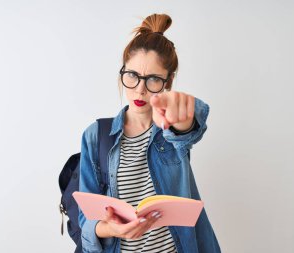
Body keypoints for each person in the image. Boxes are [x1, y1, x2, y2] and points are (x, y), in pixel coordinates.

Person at [78, 13, 221, 253]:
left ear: (168, 81)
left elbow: (189, 129)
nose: (140, 90)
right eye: (132, 75)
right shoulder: (96, 136)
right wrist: (112, 229)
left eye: (153, 79)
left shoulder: (170, 132)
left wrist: (184, 118)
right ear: (122, 73)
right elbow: (86, 221)